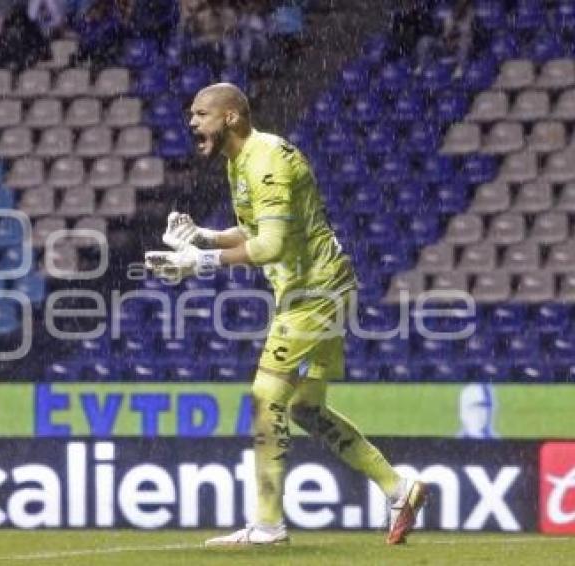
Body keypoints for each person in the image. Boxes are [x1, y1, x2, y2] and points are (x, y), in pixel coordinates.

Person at [144, 83, 428, 546]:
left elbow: (271, 246)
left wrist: (200, 263)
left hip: (313, 292)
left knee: (265, 397)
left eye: (201, 114)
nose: (192, 122)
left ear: (231, 116)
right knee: (305, 407)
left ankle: (269, 525)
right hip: (321, 286)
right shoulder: (244, 159)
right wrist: (204, 237)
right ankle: (400, 489)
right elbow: (261, 228)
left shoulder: (266, 160)